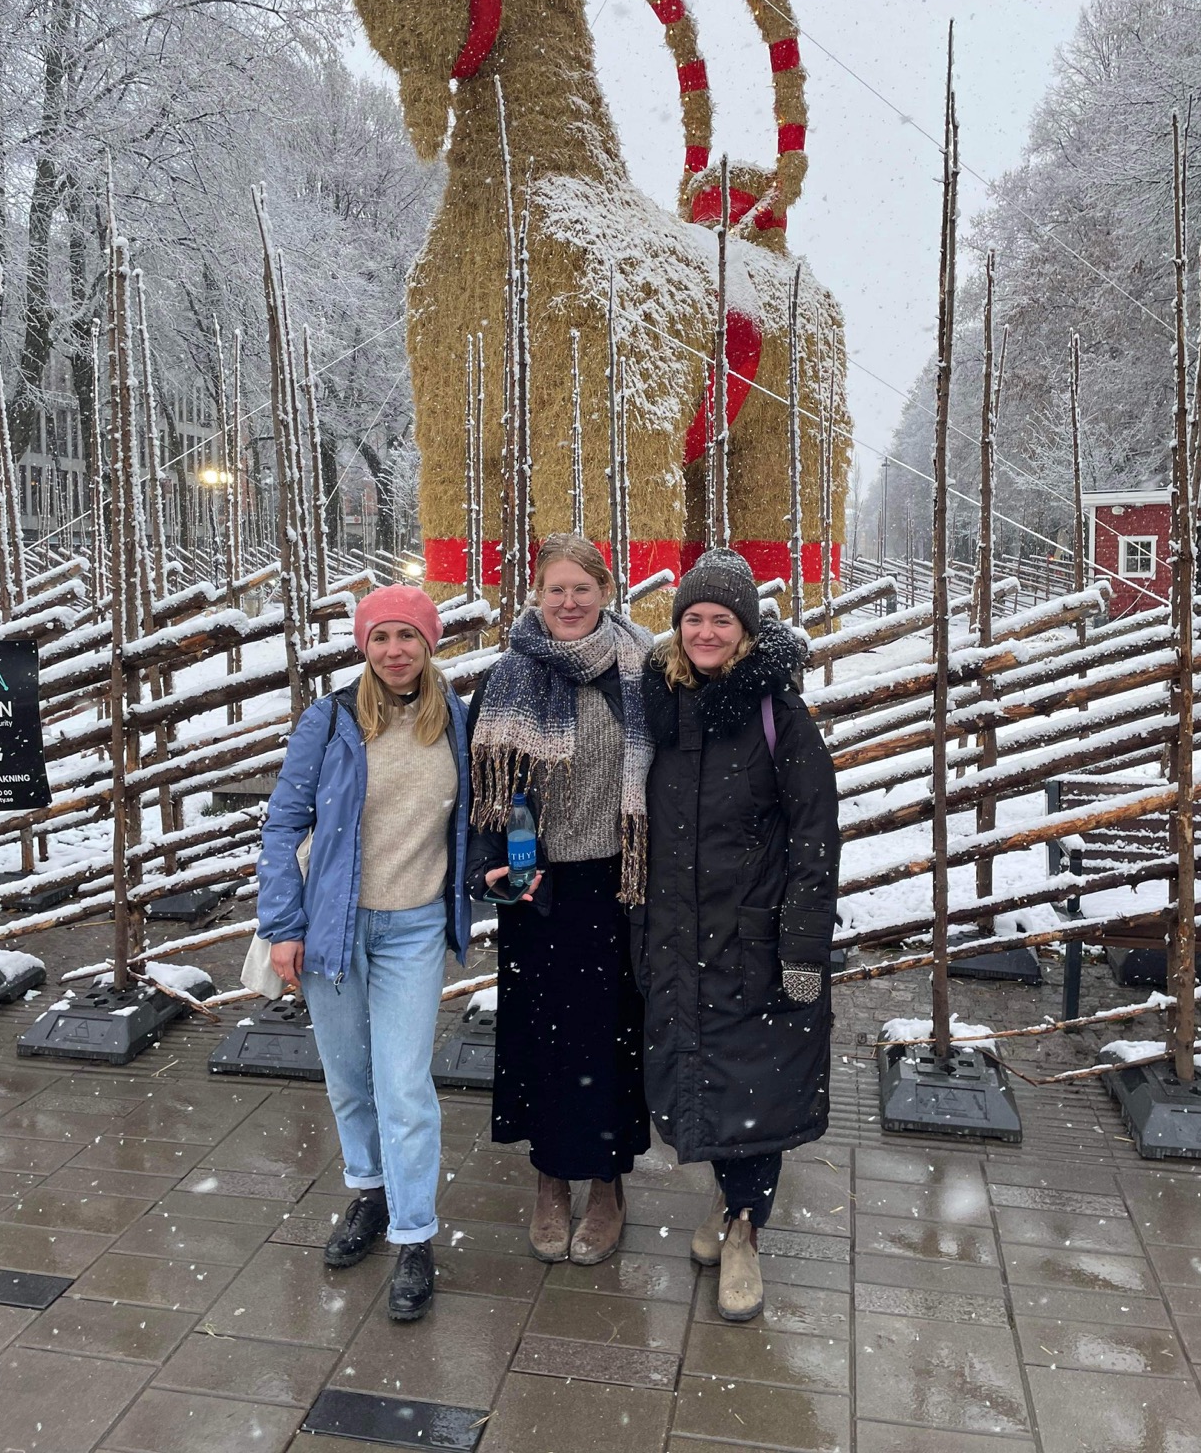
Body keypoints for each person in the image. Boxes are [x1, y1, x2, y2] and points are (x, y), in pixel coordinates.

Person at [257, 584, 471, 1323]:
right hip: (333, 927)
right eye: (381, 638)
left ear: (430, 643)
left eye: (408, 637)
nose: (395, 651)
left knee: (404, 1084)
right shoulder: (332, 720)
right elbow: (283, 825)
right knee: (349, 1077)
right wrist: (283, 924)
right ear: (363, 646)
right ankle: (371, 1196)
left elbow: (482, 817)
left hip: (412, 928)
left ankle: (415, 1235)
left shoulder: (458, 724)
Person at [636, 548, 839, 1321]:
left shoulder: (776, 713)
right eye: (694, 618)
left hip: (753, 937)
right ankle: (725, 1208)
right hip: (677, 934)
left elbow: (816, 837)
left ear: (747, 630)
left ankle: (747, 1231)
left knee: (757, 1085)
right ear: (678, 625)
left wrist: (803, 951)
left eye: (722, 619)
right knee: (707, 1074)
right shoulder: (662, 703)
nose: (707, 631)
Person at [467, 533, 654, 1265]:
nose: (568, 602)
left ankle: (607, 1185)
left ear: (606, 591)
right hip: (538, 892)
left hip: (621, 889)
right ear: (536, 596)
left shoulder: (643, 671)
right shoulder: (507, 677)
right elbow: (481, 791)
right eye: (555, 589)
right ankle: (550, 1178)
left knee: (613, 1042)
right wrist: (493, 864)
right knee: (541, 1041)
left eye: (582, 588)